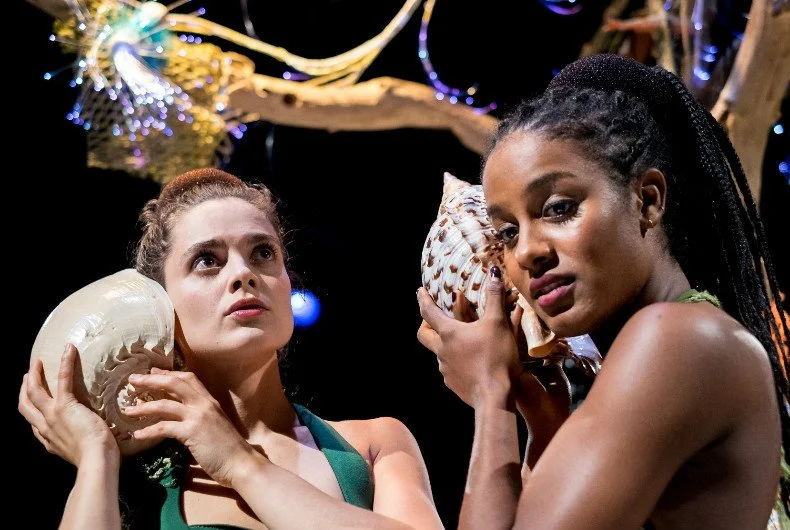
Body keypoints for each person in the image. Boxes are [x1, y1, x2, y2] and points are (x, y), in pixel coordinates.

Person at [416, 53, 790, 529]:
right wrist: (542, 423)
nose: (527, 250)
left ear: (647, 200)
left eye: (558, 207)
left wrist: (492, 393)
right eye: (507, 233)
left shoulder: (677, 338)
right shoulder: (672, 340)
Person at [19, 168, 445, 530]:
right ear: (160, 301)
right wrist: (96, 455)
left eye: (263, 253)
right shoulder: (134, 476)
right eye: (207, 260)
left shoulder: (374, 443)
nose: (244, 273)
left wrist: (238, 462)